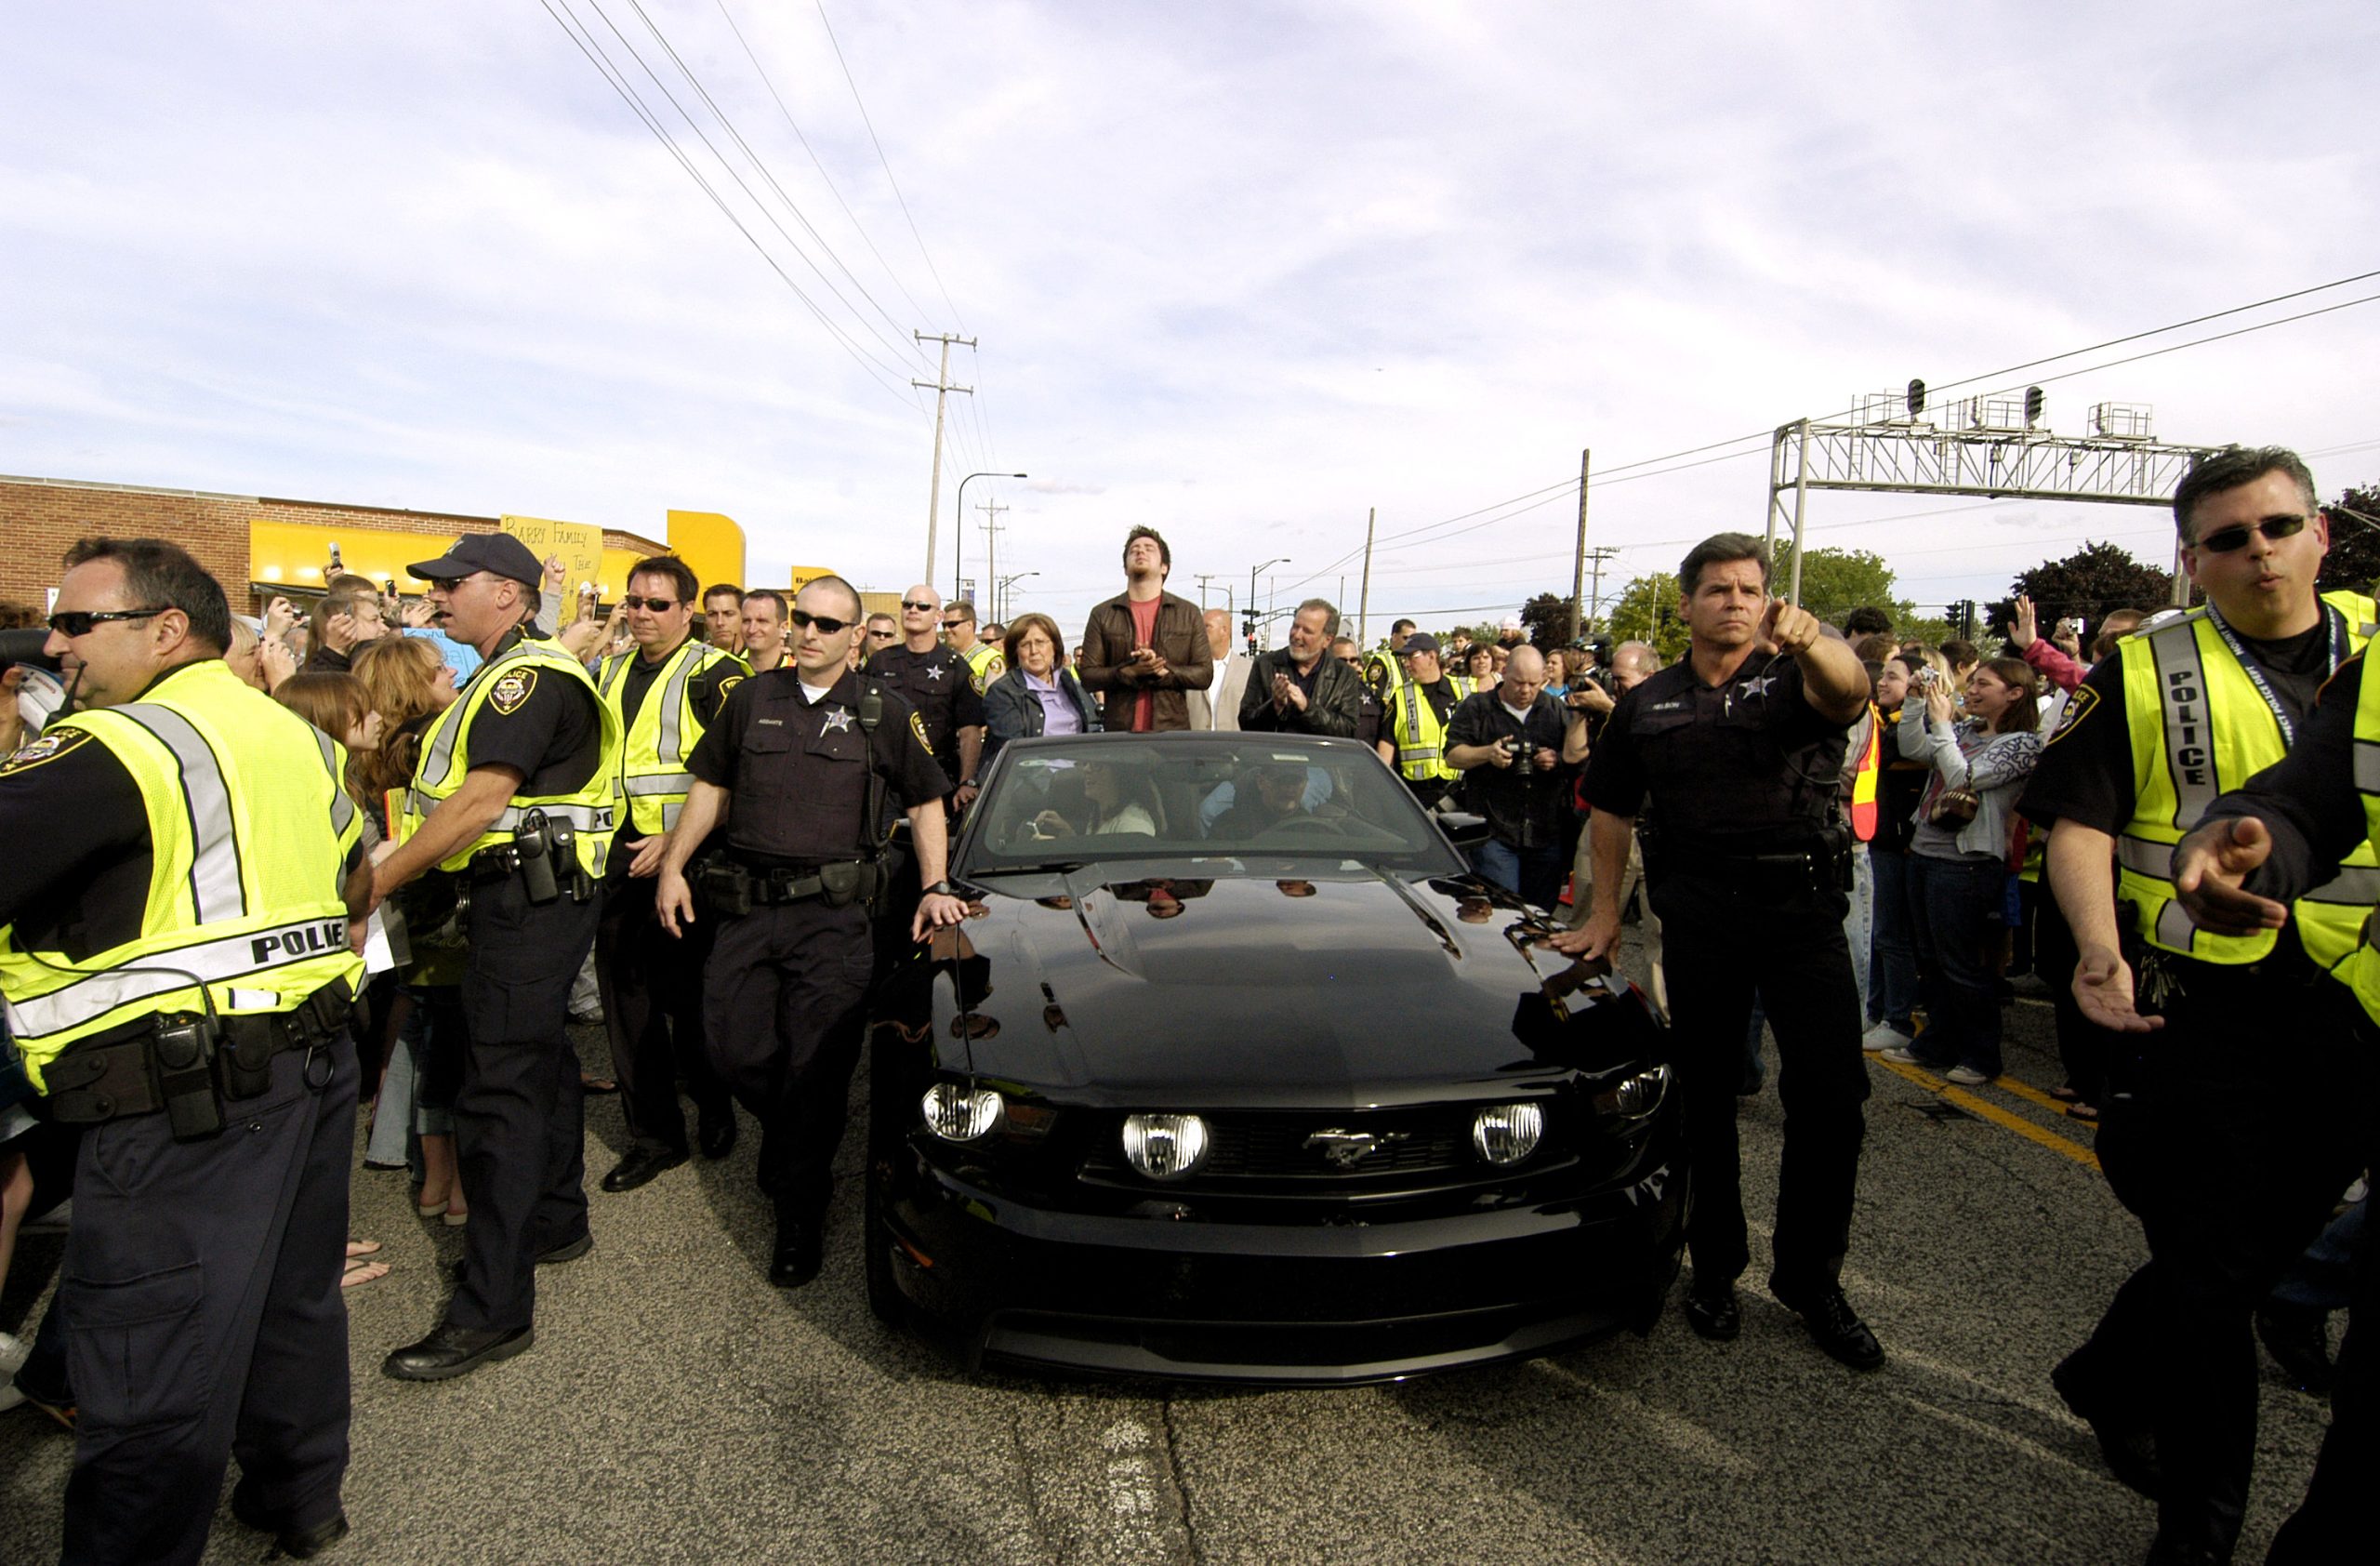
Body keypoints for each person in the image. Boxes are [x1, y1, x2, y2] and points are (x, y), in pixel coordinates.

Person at [2017, 445, 2379, 1563]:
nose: (2258, 552)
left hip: (2353, 1003)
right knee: (2215, 1269)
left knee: (2238, 1258)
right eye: (2228, 537)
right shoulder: (2143, 664)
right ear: (2190, 558)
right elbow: (2078, 818)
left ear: (2321, 533)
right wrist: (2092, 949)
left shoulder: (2372, 643)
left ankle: (2103, 1374)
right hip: (2200, 1007)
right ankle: (2199, 1529)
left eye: (2278, 526)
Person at [0, 537, 367, 1562]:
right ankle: (298, 1498)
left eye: (77, 623)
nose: (54, 643)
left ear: (167, 630)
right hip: (307, 1059)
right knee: (293, 1301)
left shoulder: (124, 745)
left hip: (181, 1100)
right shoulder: (292, 735)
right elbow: (354, 887)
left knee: (152, 1359)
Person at [1554, 532, 1882, 1371]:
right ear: (1689, 602)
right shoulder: (1649, 701)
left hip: (1801, 910)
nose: (1735, 601)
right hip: (1699, 912)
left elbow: (1852, 694)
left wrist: (1815, 641)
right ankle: (1714, 1269)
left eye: (1749, 589)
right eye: (1718, 589)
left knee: (1832, 1098)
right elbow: (1611, 809)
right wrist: (1601, 917)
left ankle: (1812, 1281)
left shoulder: (1797, 674)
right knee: (1703, 1100)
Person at [654, 576, 965, 1286]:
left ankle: (801, 1208)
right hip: (747, 911)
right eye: (805, 620)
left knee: (817, 1067)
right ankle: (789, 1131)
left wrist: (935, 885)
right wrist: (675, 866)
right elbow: (710, 788)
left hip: (833, 920)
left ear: (855, 636)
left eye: (830, 624)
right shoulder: (751, 700)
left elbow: (925, 802)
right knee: (730, 1049)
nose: (812, 633)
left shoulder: (881, 711)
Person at [367, 531, 623, 1383]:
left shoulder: (525, 677)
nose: (437, 597)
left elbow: (481, 800)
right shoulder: (507, 671)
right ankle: (555, 1220)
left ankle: (492, 1310)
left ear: (509, 594)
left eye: (453, 583)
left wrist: (379, 881)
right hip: (529, 901)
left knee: (497, 1097)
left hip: (527, 904)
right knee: (537, 1063)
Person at [590, 556, 747, 1195]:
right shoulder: (609, 671)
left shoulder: (720, 675)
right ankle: (654, 1137)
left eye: (658, 604)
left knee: (691, 1003)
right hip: (617, 861)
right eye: (633, 601)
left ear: (689, 612)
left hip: (690, 863)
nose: (642, 613)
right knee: (627, 1008)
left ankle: (714, 1105)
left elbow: (743, 780)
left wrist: (675, 842)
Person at [1878, 657, 2043, 1084]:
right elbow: (1915, 748)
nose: (1970, 690)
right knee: (1930, 960)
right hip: (1926, 852)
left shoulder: (2023, 743)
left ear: (2015, 693)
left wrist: (1944, 724)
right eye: (1972, 683)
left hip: (1966, 864)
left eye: (1983, 684)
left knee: (1962, 965)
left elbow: (1964, 775)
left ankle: (1982, 1055)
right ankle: (1936, 1043)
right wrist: (1916, 705)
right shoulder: (1966, 730)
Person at [1446, 645, 1581, 909]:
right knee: (1503, 911)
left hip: (1545, 830)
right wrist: (1488, 753)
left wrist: (1556, 759)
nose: (1526, 691)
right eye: (1518, 683)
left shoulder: (1555, 709)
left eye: (1533, 684)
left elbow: (1577, 759)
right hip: (1494, 832)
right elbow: (1452, 755)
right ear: (1504, 673)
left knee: (1540, 916)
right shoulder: (1478, 707)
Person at [1077, 526, 1213, 733]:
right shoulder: (1103, 613)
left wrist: (1162, 671)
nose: (1140, 552)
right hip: (1120, 734)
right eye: (1134, 550)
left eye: (1149, 548)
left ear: (1164, 567)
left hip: (1171, 733)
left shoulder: (1188, 613)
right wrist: (1127, 672)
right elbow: (1087, 676)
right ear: (1125, 568)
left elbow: (1204, 674)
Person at [1862, 654, 1931, 1052]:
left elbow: (1897, 754)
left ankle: (1898, 1018)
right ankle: (1876, 1011)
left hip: (1899, 843)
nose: (1883, 682)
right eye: (1882, 675)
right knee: (1880, 935)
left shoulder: (1911, 726)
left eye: (1893, 676)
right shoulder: (1880, 721)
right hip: (1880, 838)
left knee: (1893, 935)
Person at [865, 584, 984, 813]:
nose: (913, 610)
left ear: (938, 616)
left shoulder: (955, 667)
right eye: (907, 605)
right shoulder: (880, 662)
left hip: (934, 780)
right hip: (882, 781)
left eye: (923, 606)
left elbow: (971, 732)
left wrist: (966, 782)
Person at [982, 612, 1099, 770]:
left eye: (1040, 642)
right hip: (1033, 782)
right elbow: (1017, 752)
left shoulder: (1066, 680)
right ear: (1015, 652)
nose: (1034, 651)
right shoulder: (1003, 692)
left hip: (1078, 774)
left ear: (1055, 646)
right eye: (1025, 644)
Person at [1238, 599, 1362, 737]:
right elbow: (1246, 723)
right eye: (1295, 627)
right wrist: (1275, 706)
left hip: (1321, 756)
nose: (1297, 635)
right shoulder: (1265, 665)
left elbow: (1348, 730)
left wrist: (1307, 707)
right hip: (1272, 755)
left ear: (1327, 640)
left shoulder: (1344, 675)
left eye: (1307, 631)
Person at [1376, 633, 1473, 808]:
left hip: (1461, 792)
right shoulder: (1401, 697)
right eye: (1404, 658)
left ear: (1432, 656)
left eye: (1412, 657)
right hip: (1416, 794)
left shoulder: (1465, 691)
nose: (1406, 663)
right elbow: (1386, 742)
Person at [304, 576, 389, 674]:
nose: (385, 628)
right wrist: (334, 653)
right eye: (374, 620)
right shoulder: (322, 675)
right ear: (344, 625)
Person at [1186, 607, 1252, 731]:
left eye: (1207, 627)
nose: (1199, 631)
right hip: (1196, 746)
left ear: (1224, 630)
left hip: (1234, 747)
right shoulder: (1190, 669)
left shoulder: (1248, 670)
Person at [1332, 636, 1386, 748]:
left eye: (1353, 660)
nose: (1349, 664)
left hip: (1364, 760)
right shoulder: (1319, 692)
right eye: (1342, 660)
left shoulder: (1371, 694)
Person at [942, 600, 1004, 696]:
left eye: (952, 624)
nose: (946, 630)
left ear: (969, 625)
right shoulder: (945, 658)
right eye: (944, 625)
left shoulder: (990, 660)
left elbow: (996, 704)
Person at [739, 589, 788, 674]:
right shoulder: (727, 674)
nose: (752, 630)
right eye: (746, 621)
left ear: (783, 628)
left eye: (761, 621)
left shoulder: (801, 675)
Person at [701, 584, 745, 654]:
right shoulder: (695, 658)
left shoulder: (759, 658)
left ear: (744, 617)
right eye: (712, 614)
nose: (719, 622)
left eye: (728, 614)